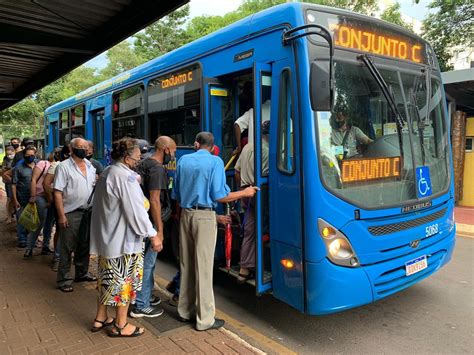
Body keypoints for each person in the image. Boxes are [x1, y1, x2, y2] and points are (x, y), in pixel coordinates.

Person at [172, 132, 258, 331]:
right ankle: (205, 320)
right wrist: (245, 192)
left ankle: (185, 311)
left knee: (187, 264)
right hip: (204, 217)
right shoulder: (215, 162)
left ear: (196, 144)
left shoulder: (183, 160)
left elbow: (175, 192)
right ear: (212, 147)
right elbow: (220, 195)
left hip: (186, 214)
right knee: (203, 267)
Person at [90, 137, 161, 337]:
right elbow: (136, 211)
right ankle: (121, 325)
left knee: (107, 280)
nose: (140, 160)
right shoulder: (125, 177)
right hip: (124, 242)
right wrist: (153, 234)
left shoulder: (108, 172)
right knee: (125, 283)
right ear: (127, 157)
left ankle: (101, 317)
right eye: (138, 156)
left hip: (109, 238)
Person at [130, 136, 176, 318]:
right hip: (150, 222)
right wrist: (159, 230)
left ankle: (143, 297)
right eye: (172, 151)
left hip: (141, 220)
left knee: (142, 262)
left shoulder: (144, 164)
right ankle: (141, 305)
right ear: (165, 149)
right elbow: (155, 200)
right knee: (148, 263)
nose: (173, 155)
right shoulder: (157, 169)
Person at [53, 138, 97, 292]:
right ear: (71, 149)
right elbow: (57, 192)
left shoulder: (91, 166)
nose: (84, 150)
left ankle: (82, 273)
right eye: (81, 147)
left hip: (88, 211)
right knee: (67, 246)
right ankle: (64, 279)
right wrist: (61, 215)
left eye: (86, 147)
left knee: (84, 244)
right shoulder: (63, 167)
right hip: (71, 212)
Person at [234, 120, 270, 283]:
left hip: (245, 193)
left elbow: (236, 170)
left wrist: (242, 192)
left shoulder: (248, 146)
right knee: (261, 230)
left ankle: (244, 269)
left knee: (249, 230)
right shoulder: (268, 151)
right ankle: (258, 266)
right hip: (258, 193)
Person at [43, 146, 69, 271]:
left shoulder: (86, 166)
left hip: (75, 205)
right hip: (60, 204)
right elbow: (46, 184)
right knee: (60, 229)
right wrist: (53, 198)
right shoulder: (57, 166)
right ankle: (57, 258)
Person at [23, 153, 52, 258]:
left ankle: (46, 246)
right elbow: (34, 180)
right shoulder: (43, 164)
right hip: (40, 196)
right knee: (39, 222)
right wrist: (33, 195)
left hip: (53, 197)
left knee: (50, 223)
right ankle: (29, 248)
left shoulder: (62, 166)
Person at [11, 146, 38, 248]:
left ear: (35, 155)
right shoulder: (18, 168)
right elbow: (13, 184)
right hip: (21, 197)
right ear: (24, 155)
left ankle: (32, 240)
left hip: (35, 198)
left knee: (33, 220)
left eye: (32, 155)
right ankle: (22, 239)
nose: (30, 157)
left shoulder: (38, 166)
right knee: (21, 219)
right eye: (27, 155)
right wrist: (15, 199)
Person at [1, 145, 15, 223]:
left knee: (14, 199)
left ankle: (12, 214)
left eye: (10, 154)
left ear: (14, 152)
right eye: (7, 154)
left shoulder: (17, 159)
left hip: (16, 182)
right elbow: (2, 171)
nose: (9, 156)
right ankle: (9, 216)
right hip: (9, 183)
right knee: (9, 199)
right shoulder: (5, 160)